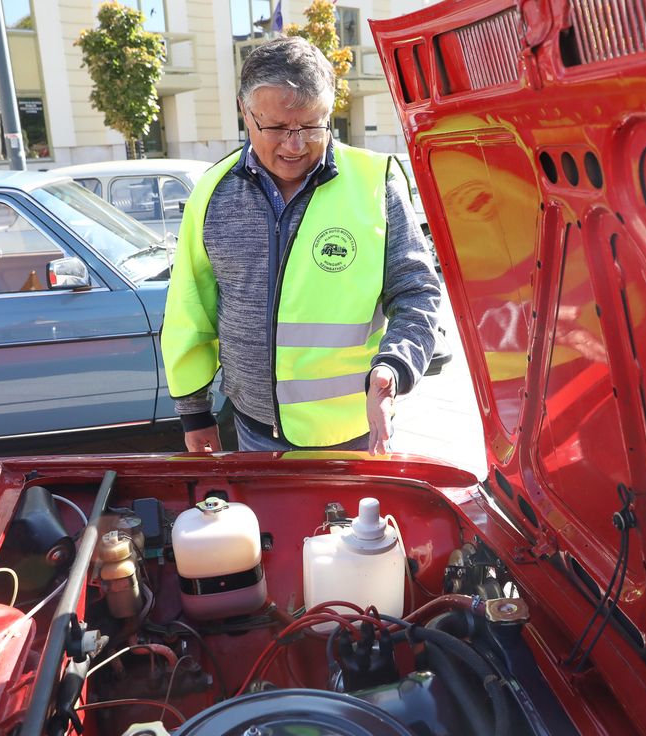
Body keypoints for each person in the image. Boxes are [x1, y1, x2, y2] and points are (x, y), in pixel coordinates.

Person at [162, 36, 440, 455]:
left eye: (312, 126)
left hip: (356, 431)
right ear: (245, 112)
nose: (295, 145)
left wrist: (394, 368)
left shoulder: (375, 182)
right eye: (275, 127)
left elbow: (417, 292)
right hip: (253, 430)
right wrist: (194, 413)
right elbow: (190, 308)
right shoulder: (212, 192)